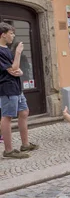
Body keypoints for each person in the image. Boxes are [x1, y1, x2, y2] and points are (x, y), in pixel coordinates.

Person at [0, 22, 37, 159]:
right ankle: (8, 150)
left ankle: (25, 144)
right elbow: (12, 68)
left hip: (16, 87)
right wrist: (18, 52)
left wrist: (19, 71)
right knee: (7, 116)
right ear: (3, 34)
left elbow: (14, 69)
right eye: (11, 33)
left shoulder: (6, 49)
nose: (13, 36)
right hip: (7, 88)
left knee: (24, 111)